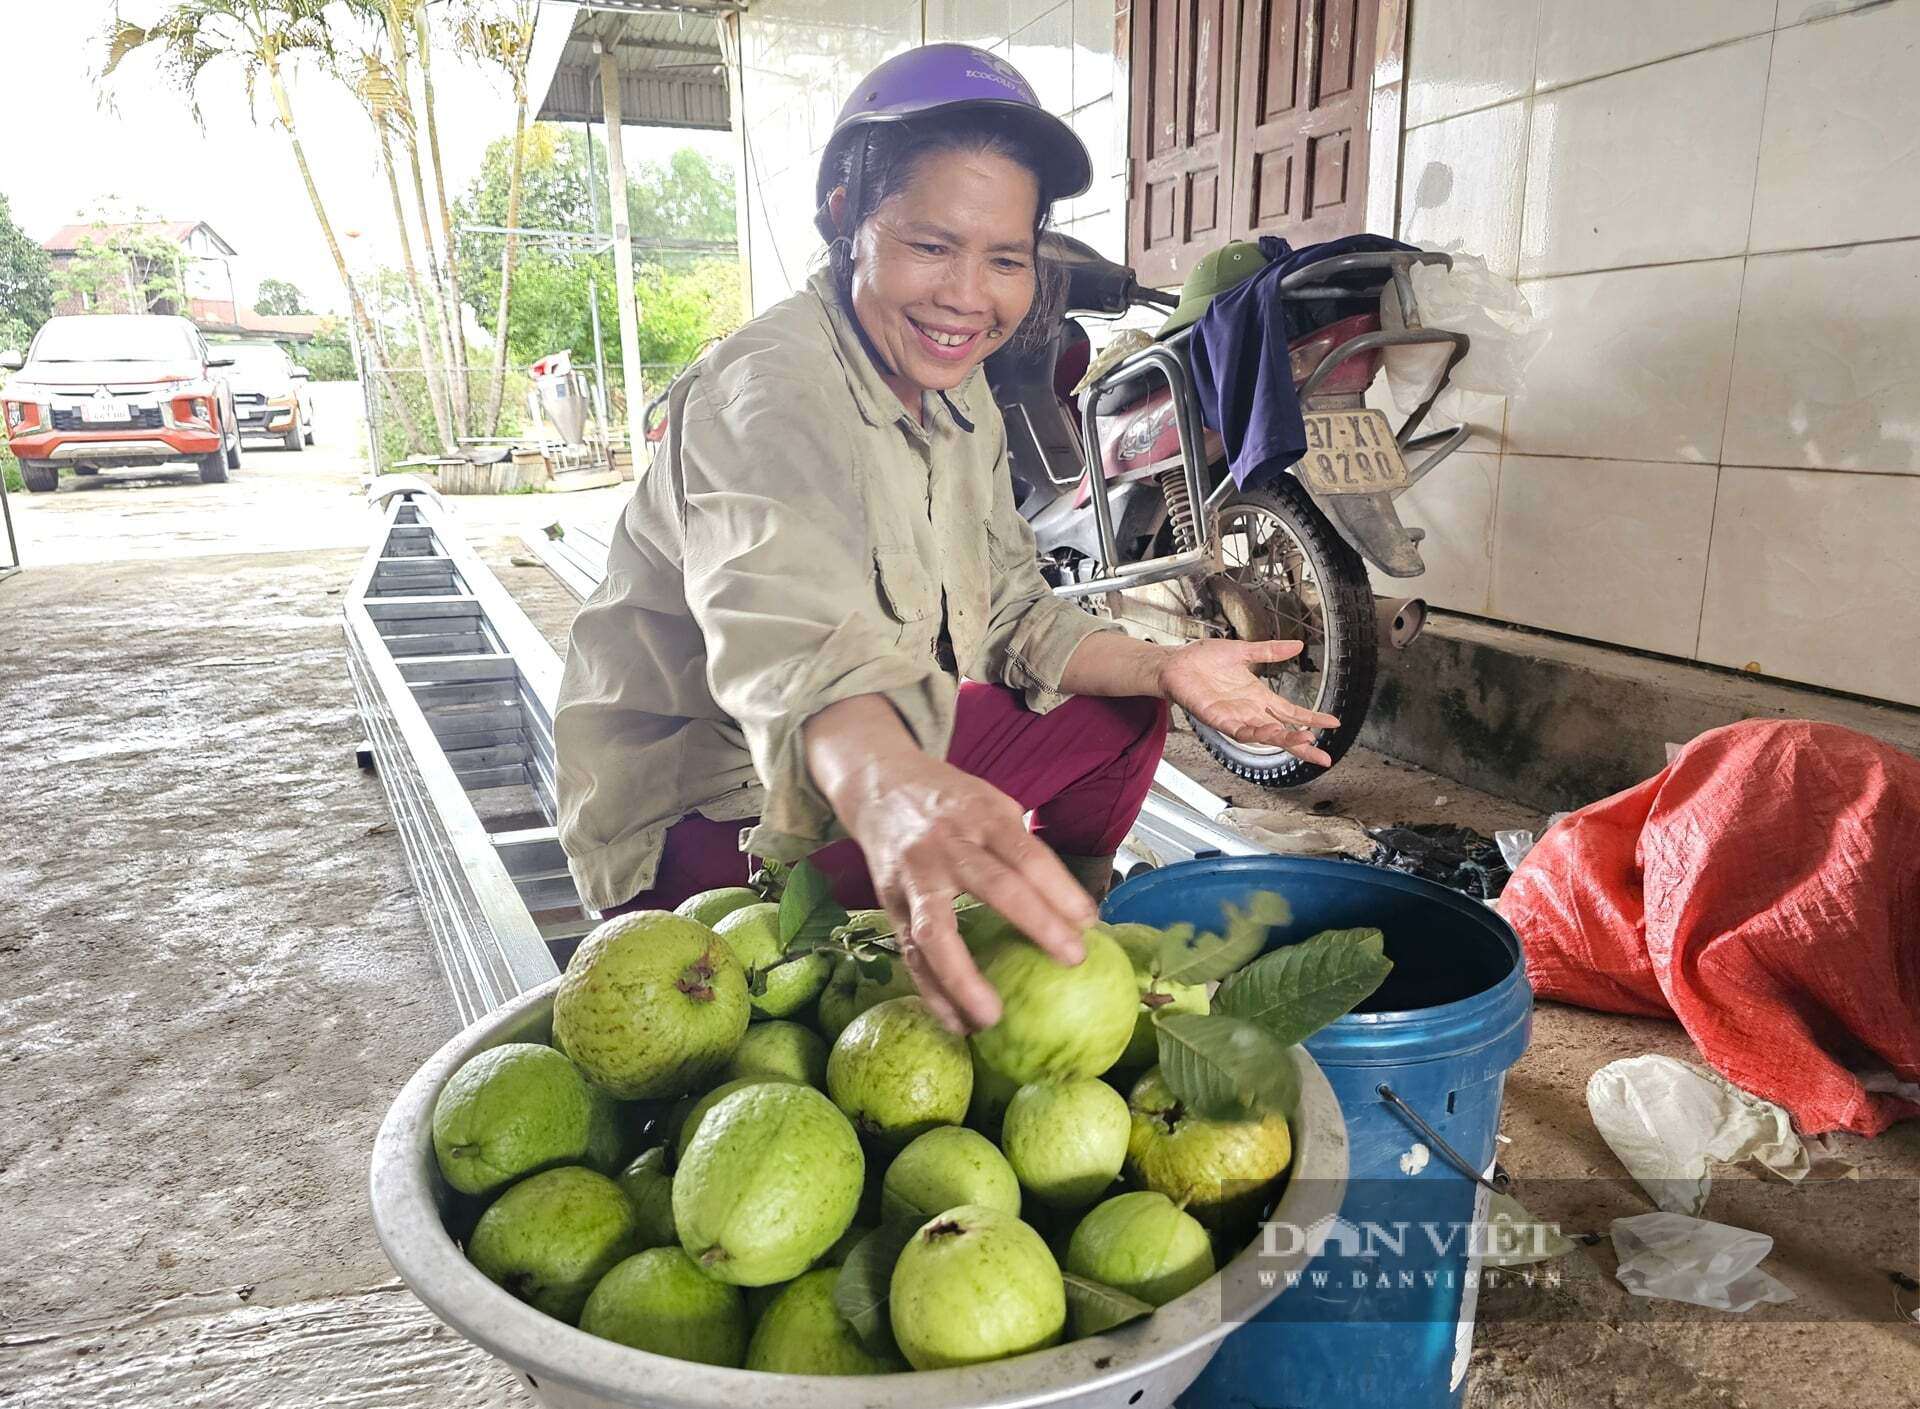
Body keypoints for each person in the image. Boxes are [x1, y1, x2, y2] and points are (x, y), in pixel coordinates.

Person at [554, 44, 1337, 1034]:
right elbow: (789, 633)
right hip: (714, 817)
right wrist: (892, 785)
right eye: (931, 245)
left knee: (1126, 704)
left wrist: (1169, 666)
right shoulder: (768, 390)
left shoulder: (959, 396)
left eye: (1006, 259)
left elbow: (1012, 607)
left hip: (876, 761)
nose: (970, 296)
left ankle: (1057, 948)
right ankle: (974, 932)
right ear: (845, 217)